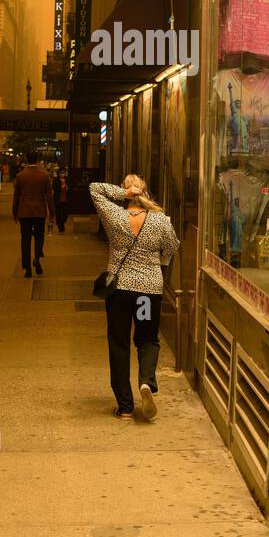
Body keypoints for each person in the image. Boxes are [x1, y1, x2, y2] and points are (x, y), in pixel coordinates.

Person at [89, 175, 179, 421]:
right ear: (145, 192)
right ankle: (147, 382)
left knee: (119, 344)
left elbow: (94, 188)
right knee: (147, 339)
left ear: (126, 192)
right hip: (147, 294)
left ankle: (125, 406)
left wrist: (123, 194)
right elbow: (171, 248)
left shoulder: (114, 216)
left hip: (120, 292)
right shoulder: (160, 220)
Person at [12, 150, 54, 277]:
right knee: (39, 236)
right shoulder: (44, 176)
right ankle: (37, 258)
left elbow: (16, 197)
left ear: (26, 159)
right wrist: (52, 213)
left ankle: (27, 268)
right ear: (37, 159)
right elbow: (49, 196)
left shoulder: (20, 176)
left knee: (25, 239)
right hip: (39, 211)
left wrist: (14, 212)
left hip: (24, 212)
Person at [52, 166, 70, 233]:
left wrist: (67, 188)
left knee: (65, 213)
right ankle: (61, 228)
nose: (62, 174)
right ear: (58, 173)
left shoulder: (67, 179)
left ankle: (61, 223)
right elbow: (54, 188)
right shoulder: (55, 180)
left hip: (66, 199)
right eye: (61, 173)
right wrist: (61, 187)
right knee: (58, 214)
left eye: (64, 173)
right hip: (58, 199)